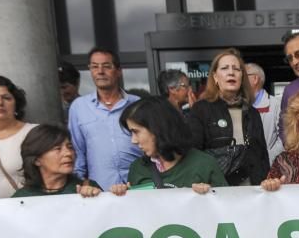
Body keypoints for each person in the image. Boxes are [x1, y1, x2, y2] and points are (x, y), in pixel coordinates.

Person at [187, 49, 269, 185]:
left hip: (251, 189)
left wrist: (265, 184)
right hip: (215, 187)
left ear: (242, 76)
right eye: (225, 68)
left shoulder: (253, 113)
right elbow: (193, 154)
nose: (231, 72)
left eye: (236, 69)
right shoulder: (201, 109)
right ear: (215, 77)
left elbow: (262, 156)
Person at [112, 96, 226, 194]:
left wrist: (210, 196)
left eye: (136, 132)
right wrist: (122, 196)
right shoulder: (137, 168)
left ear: (157, 128)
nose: (133, 140)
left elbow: (227, 210)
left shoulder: (204, 165)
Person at [67, 47, 142, 189]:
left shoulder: (137, 104)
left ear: (119, 71)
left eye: (106, 66)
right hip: (100, 191)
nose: (100, 71)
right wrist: (80, 183)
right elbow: (77, 151)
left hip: (138, 185)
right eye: (94, 67)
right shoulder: (79, 107)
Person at [12, 125, 101, 198]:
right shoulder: (22, 198)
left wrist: (95, 197)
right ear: (37, 160)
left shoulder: (88, 188)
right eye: (57, 149)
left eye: (70, 147)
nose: (68, 153)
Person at [246, 62, 283, 163]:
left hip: (268, 167)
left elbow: (284, 138)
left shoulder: (276, 105)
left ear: (255, 79)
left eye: (243, 75)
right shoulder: (239, 105)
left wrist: (267, 158)